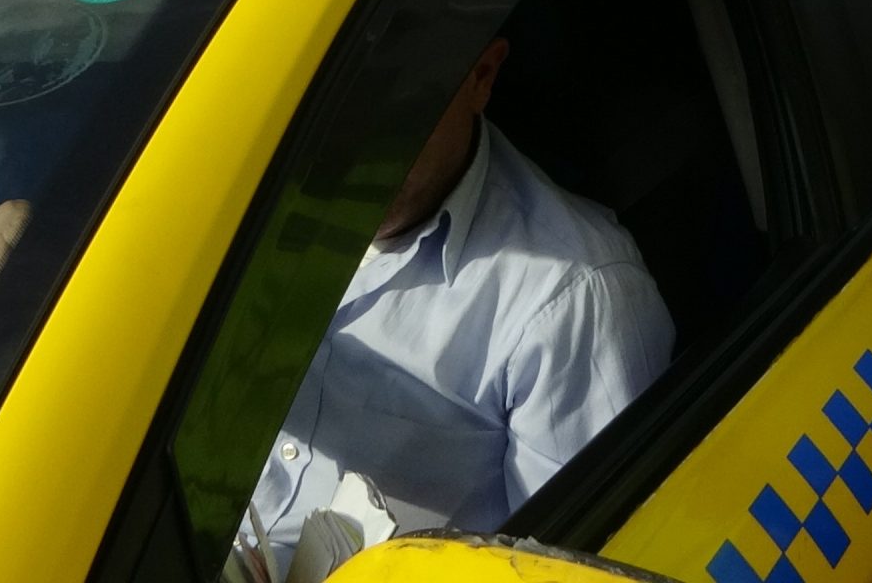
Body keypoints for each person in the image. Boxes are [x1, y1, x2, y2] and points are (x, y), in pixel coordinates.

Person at [232, 38, 673, 578]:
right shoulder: (233, 205)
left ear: (481, 75)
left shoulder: (572, 298)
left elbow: (574, 562)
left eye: (382, 105)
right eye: (316, 106)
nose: (341, 149)